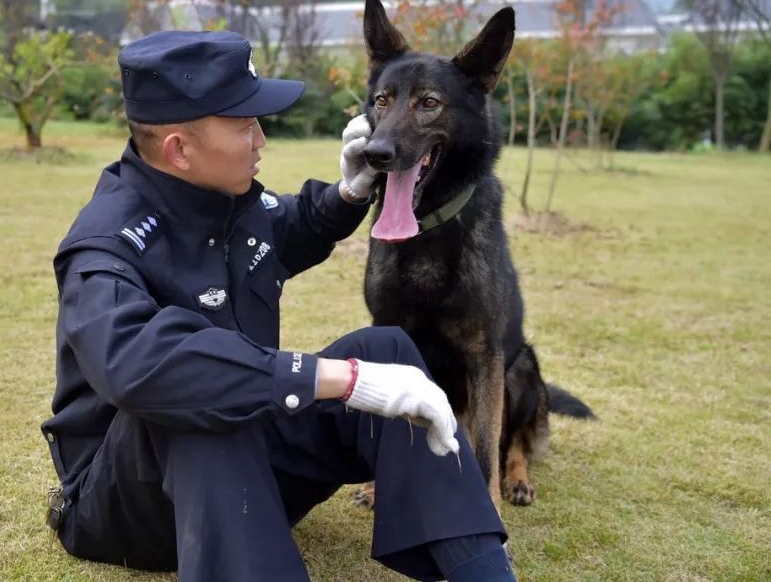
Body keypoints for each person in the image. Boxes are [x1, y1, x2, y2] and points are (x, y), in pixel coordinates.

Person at [40, 30, 514, 582]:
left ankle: (481, 571)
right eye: (245, 125)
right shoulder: (107, 242)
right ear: (178, 148)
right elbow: (139, 365)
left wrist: (351, 192)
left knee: (386, 348)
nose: (262, 139)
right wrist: (334, 377)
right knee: (198, 403)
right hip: (128, 506)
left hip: (246, 471)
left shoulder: (227, 201)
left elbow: (291, 227)